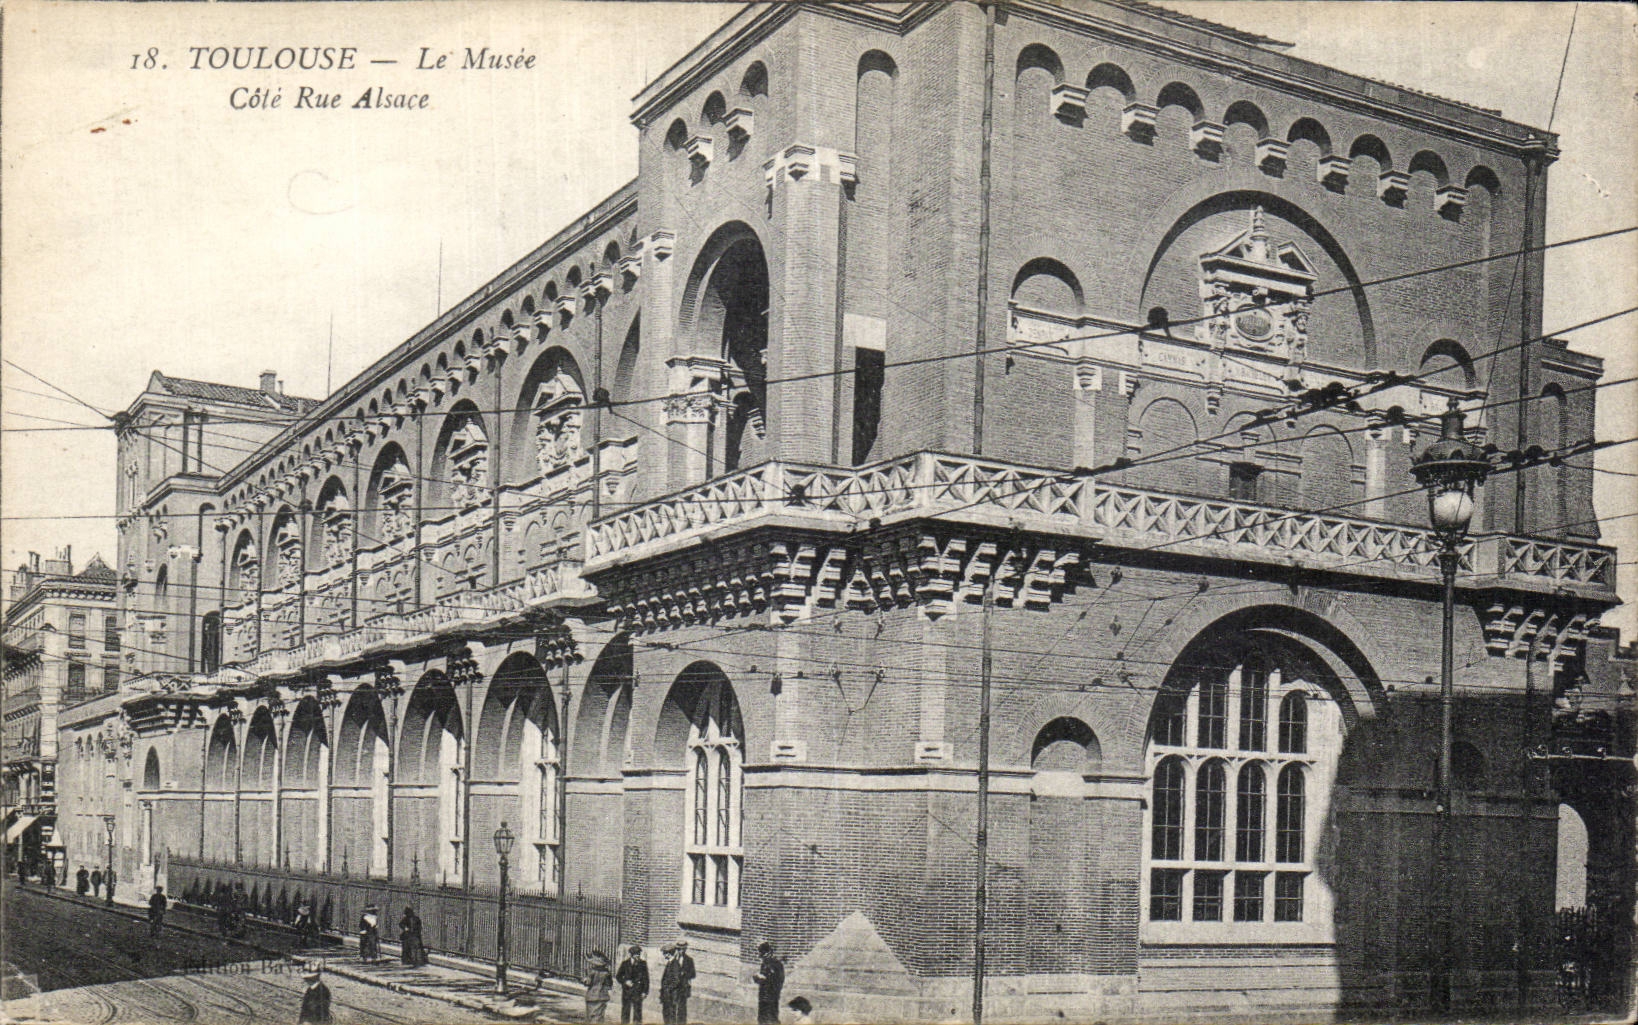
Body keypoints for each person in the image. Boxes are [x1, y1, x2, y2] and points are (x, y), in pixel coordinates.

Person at [660, 941, 695, 1025]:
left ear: (685, 949)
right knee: (671, 1011)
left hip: (682, 988)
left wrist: (683, 974)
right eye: (679, 949)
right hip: (674, 989)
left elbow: (692, 974)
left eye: (683, 949)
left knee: (680, 1010)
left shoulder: (689, 960)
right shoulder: (673, 959)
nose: (681, 951)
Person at [615, 944, 649, 1025]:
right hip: (627, 991)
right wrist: (625, 981)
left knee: (637, 1012)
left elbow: (646, 979)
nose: (638, 956)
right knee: (625, 1011)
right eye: (636, 954)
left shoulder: (643, 964)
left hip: (638, 991)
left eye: (639, 954)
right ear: (631, 954)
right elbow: (618, 976)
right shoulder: (625, 963)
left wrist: (645, 992)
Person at [753, 941, 784, 1025]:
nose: (762, 957)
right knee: (761, 1019)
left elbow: (779, 981)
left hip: (772, 997)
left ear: (769, 953)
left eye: (763, 954)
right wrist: (757, 978)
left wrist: (766, 979)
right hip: (763, 996)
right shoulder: (764, 964)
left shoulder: (777, 965)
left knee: (772, 1019)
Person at [584, 949, 614, 1023]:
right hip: (603, 996)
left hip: (592, 996)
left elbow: (587, 983)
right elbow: (609, 985)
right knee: (599, 1017)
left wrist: (583, 980)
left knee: (591, 1017)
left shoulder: (591, 971)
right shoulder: (607, 972)